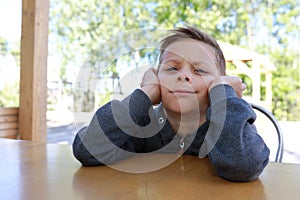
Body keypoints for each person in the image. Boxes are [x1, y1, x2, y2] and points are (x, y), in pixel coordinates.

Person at [72, 25, 270, 182]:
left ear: (219, 84)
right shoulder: (143, 125)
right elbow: (87, 149)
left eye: (199, 70)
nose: (183, 76)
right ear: (157, 78)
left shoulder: (230, 126)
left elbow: (244, 166)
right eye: (172, 68)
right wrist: (145, 93)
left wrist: (224, 96)